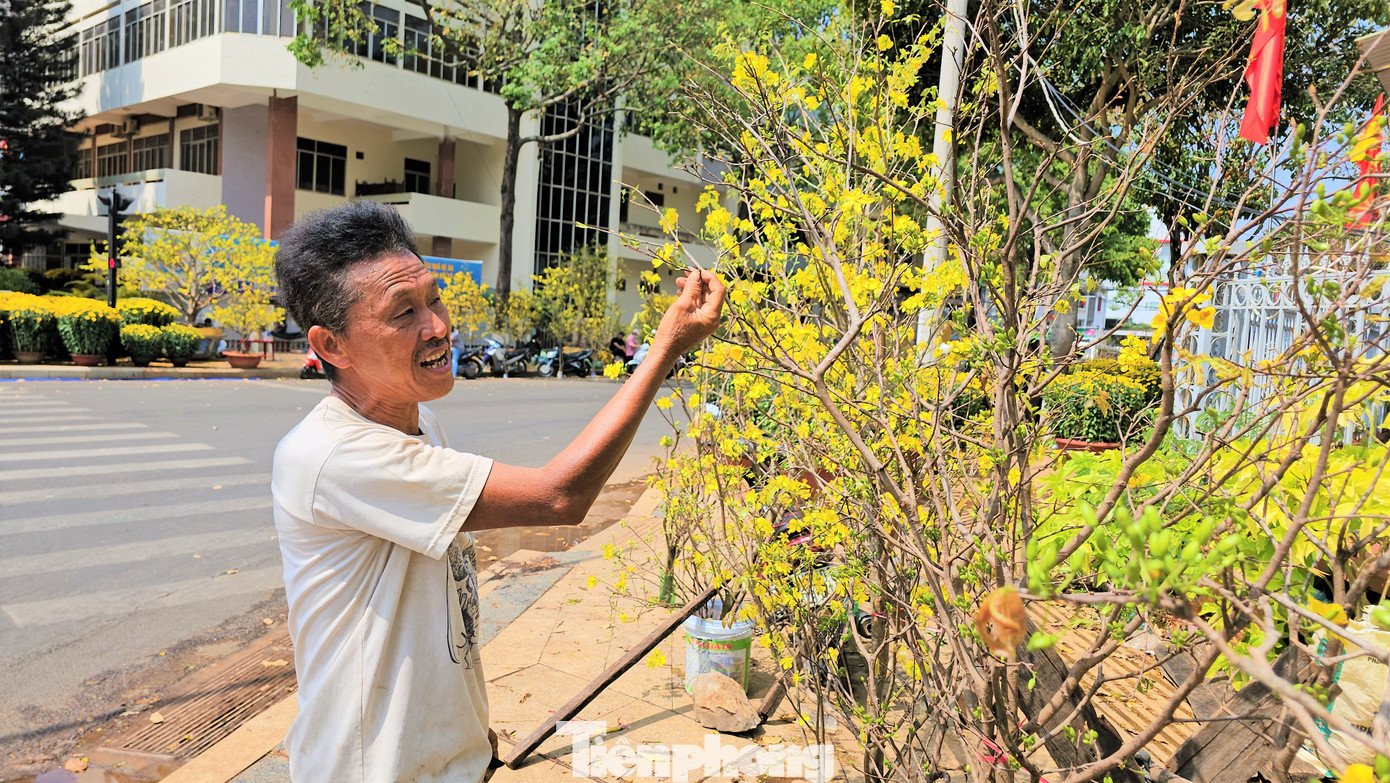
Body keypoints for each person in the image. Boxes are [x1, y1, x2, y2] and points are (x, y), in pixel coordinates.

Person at [270, 200, 724, 783]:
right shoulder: (335, 455)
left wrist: (469, 730)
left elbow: (433, 605)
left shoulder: (414, 423)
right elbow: (560, 498)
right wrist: (664, 350)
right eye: (402, 312)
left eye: (433, 298)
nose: (436, 326)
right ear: (332, 347)